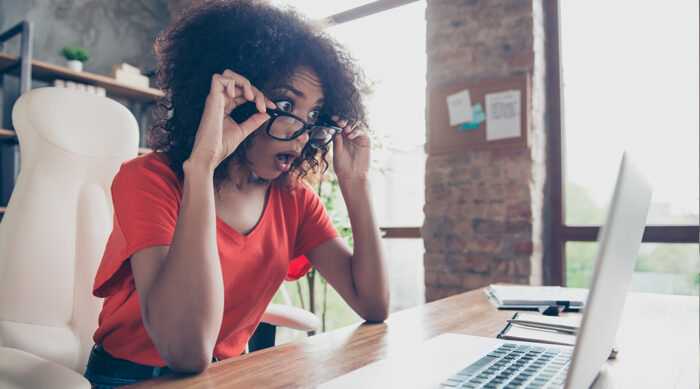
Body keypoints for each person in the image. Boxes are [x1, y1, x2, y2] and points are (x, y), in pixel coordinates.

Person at [84, 1, 389, 387]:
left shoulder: (296, 200)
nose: (302, 133)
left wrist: (357, 184)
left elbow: (373, 304)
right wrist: (202, 167)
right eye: (284, 104)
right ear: (235, 99)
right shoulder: (149, 180)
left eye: (314, 117)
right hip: (129, 380)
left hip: (227, 377)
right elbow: (188, 351)